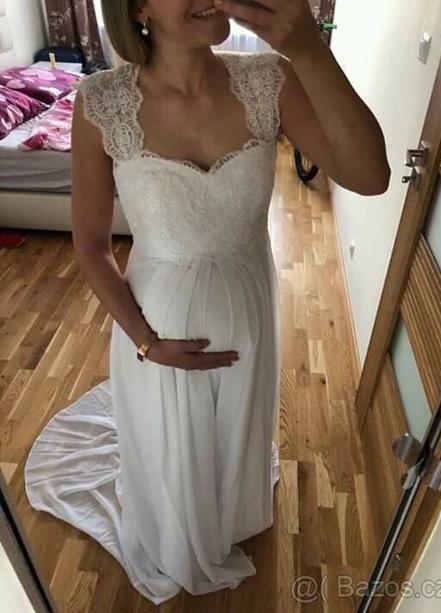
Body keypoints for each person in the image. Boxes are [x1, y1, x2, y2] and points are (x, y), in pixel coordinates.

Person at [24, 0, 390, 606]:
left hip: (249, 301)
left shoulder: (270, 79)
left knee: (235, 428)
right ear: (139, 7)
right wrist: (146, 342)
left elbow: (370, 176)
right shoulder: (100, 102)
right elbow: (90, 247)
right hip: (155, 319)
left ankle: (228, 510)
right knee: (172, 447)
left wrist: (308, 48)